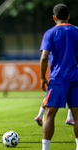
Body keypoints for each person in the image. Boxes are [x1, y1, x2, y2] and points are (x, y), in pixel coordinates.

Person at [39, 4, 78, 150]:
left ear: (54, 18)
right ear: (68, 16)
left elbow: (44, 57)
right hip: (75, 77)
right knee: (77, 114)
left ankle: (45, 149)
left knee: (49, 114)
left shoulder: (50, 33)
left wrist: (43, 78)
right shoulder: (76, 31)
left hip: (58, 78)